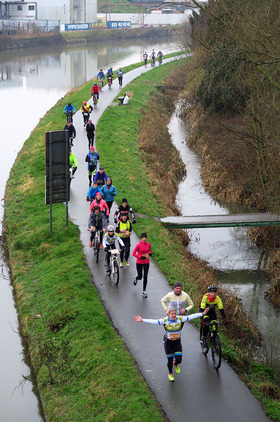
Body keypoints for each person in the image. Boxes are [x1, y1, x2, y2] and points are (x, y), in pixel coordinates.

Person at [134, 306, 209, 382]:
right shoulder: (165, 320)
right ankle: (170, 374)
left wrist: (202, 314)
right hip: (168, 342)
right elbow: (154, 321)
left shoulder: (180, 319)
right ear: (168, 314)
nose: (174, 315)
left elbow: (190, 317)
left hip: (177, 342)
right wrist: (142, 320)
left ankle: (176, 363)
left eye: (175, 314)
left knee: (179, 360)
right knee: (169, 360)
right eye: (172, 314)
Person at [200, 284, 228, 348]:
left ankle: (214, 339)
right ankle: (204, 339)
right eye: (211, 293)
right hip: (205, 312)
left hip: (212, 312)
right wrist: (201, 319)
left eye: (214, 293)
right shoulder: (205, 298)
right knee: (206, 324)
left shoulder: (217, 299)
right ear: (209, 293)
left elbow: (221, 310)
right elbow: (201, 309)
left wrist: (224, 319)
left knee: (215, 325)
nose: (213, 294)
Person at [132, 232, 151, 298]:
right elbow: (133, 253)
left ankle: (144, 291)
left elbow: (149, 251)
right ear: (141, 238)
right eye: (143, 238)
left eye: (145, 238)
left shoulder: (148, 244)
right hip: (139, 262)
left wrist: (150, 253)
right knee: (140, 276)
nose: (144, 239)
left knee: (145, 276)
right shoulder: (138, 245)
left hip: (146, 262)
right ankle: (136, 278)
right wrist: (140, 257)